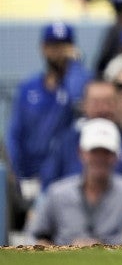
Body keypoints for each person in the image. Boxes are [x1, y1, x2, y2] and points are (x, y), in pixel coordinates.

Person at [26, 118, 122, 245]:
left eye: (106, 153)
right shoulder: (57, 193)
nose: (100, 158)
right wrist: (57, 249)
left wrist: (102, 246)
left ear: (116, 156)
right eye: (94, 152)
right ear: (81, 153)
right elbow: (33, 237)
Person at [5, 23, 91, 193]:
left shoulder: (80, 81)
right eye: (53, 46)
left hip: (66, 177)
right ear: (43, 48)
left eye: (64, 45)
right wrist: (16, 172)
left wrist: (74, 65)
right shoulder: (29, 87)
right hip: (29, 177)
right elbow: (14, 133)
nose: (58, 52)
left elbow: (76, 97)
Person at [39, 79, 122, 189]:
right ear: (84, 106)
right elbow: (48, 186)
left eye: (109, 102)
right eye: (96, 103)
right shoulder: (66, 142)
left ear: (119, 105)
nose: (103, 109)